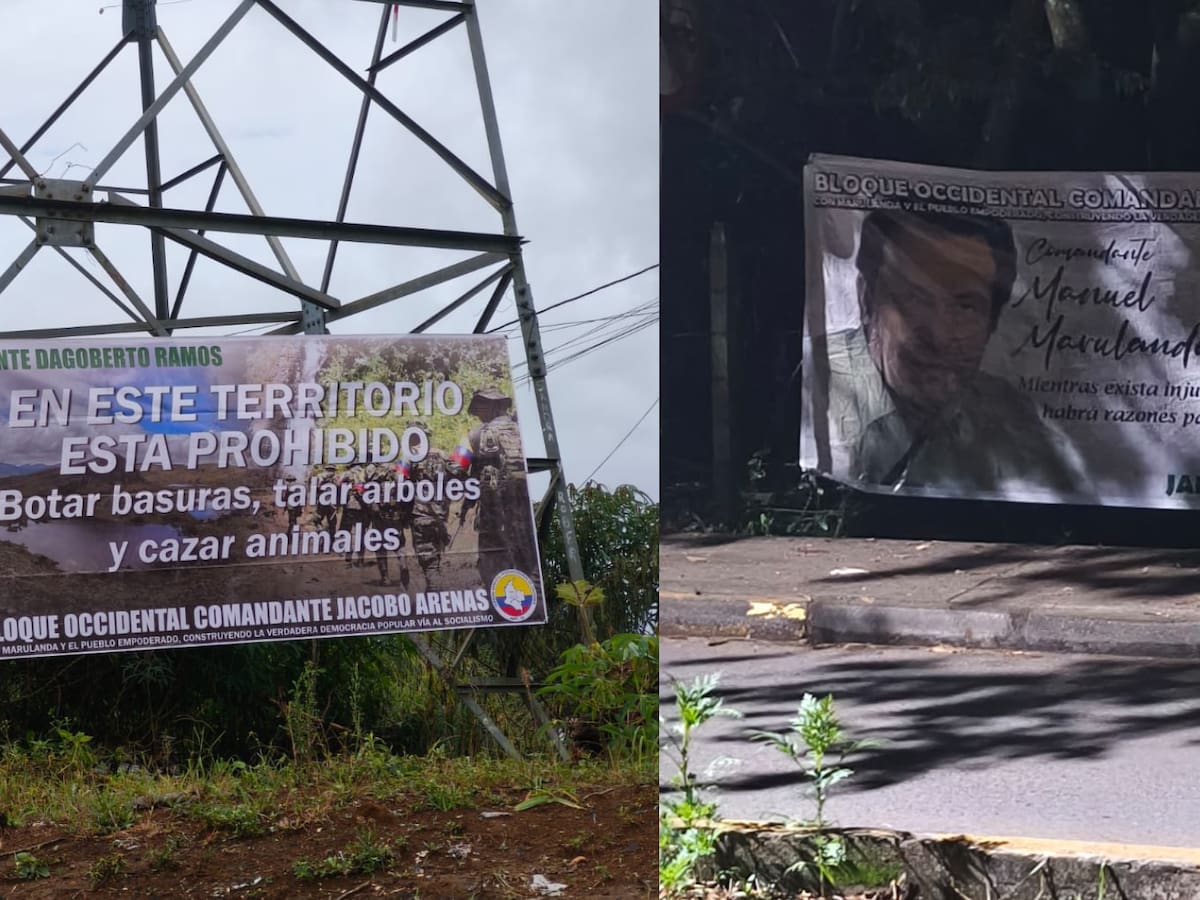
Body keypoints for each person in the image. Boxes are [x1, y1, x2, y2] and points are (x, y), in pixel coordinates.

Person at [820, 208, 1081, 493]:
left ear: (992, 323)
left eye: (966, 306)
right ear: (867, 301)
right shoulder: (808, 391)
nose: (940, 335)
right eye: (914, 298)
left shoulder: (1012, 418)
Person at [458, 387, 536, 587]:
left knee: (492, 554)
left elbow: (459, 467)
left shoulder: (476, 435)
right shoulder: (523, 430)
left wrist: (467, 503)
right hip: (525, 507)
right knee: (526, 550)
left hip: (494, 510)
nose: (478, 413)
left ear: (492, 406)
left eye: (480, 408)